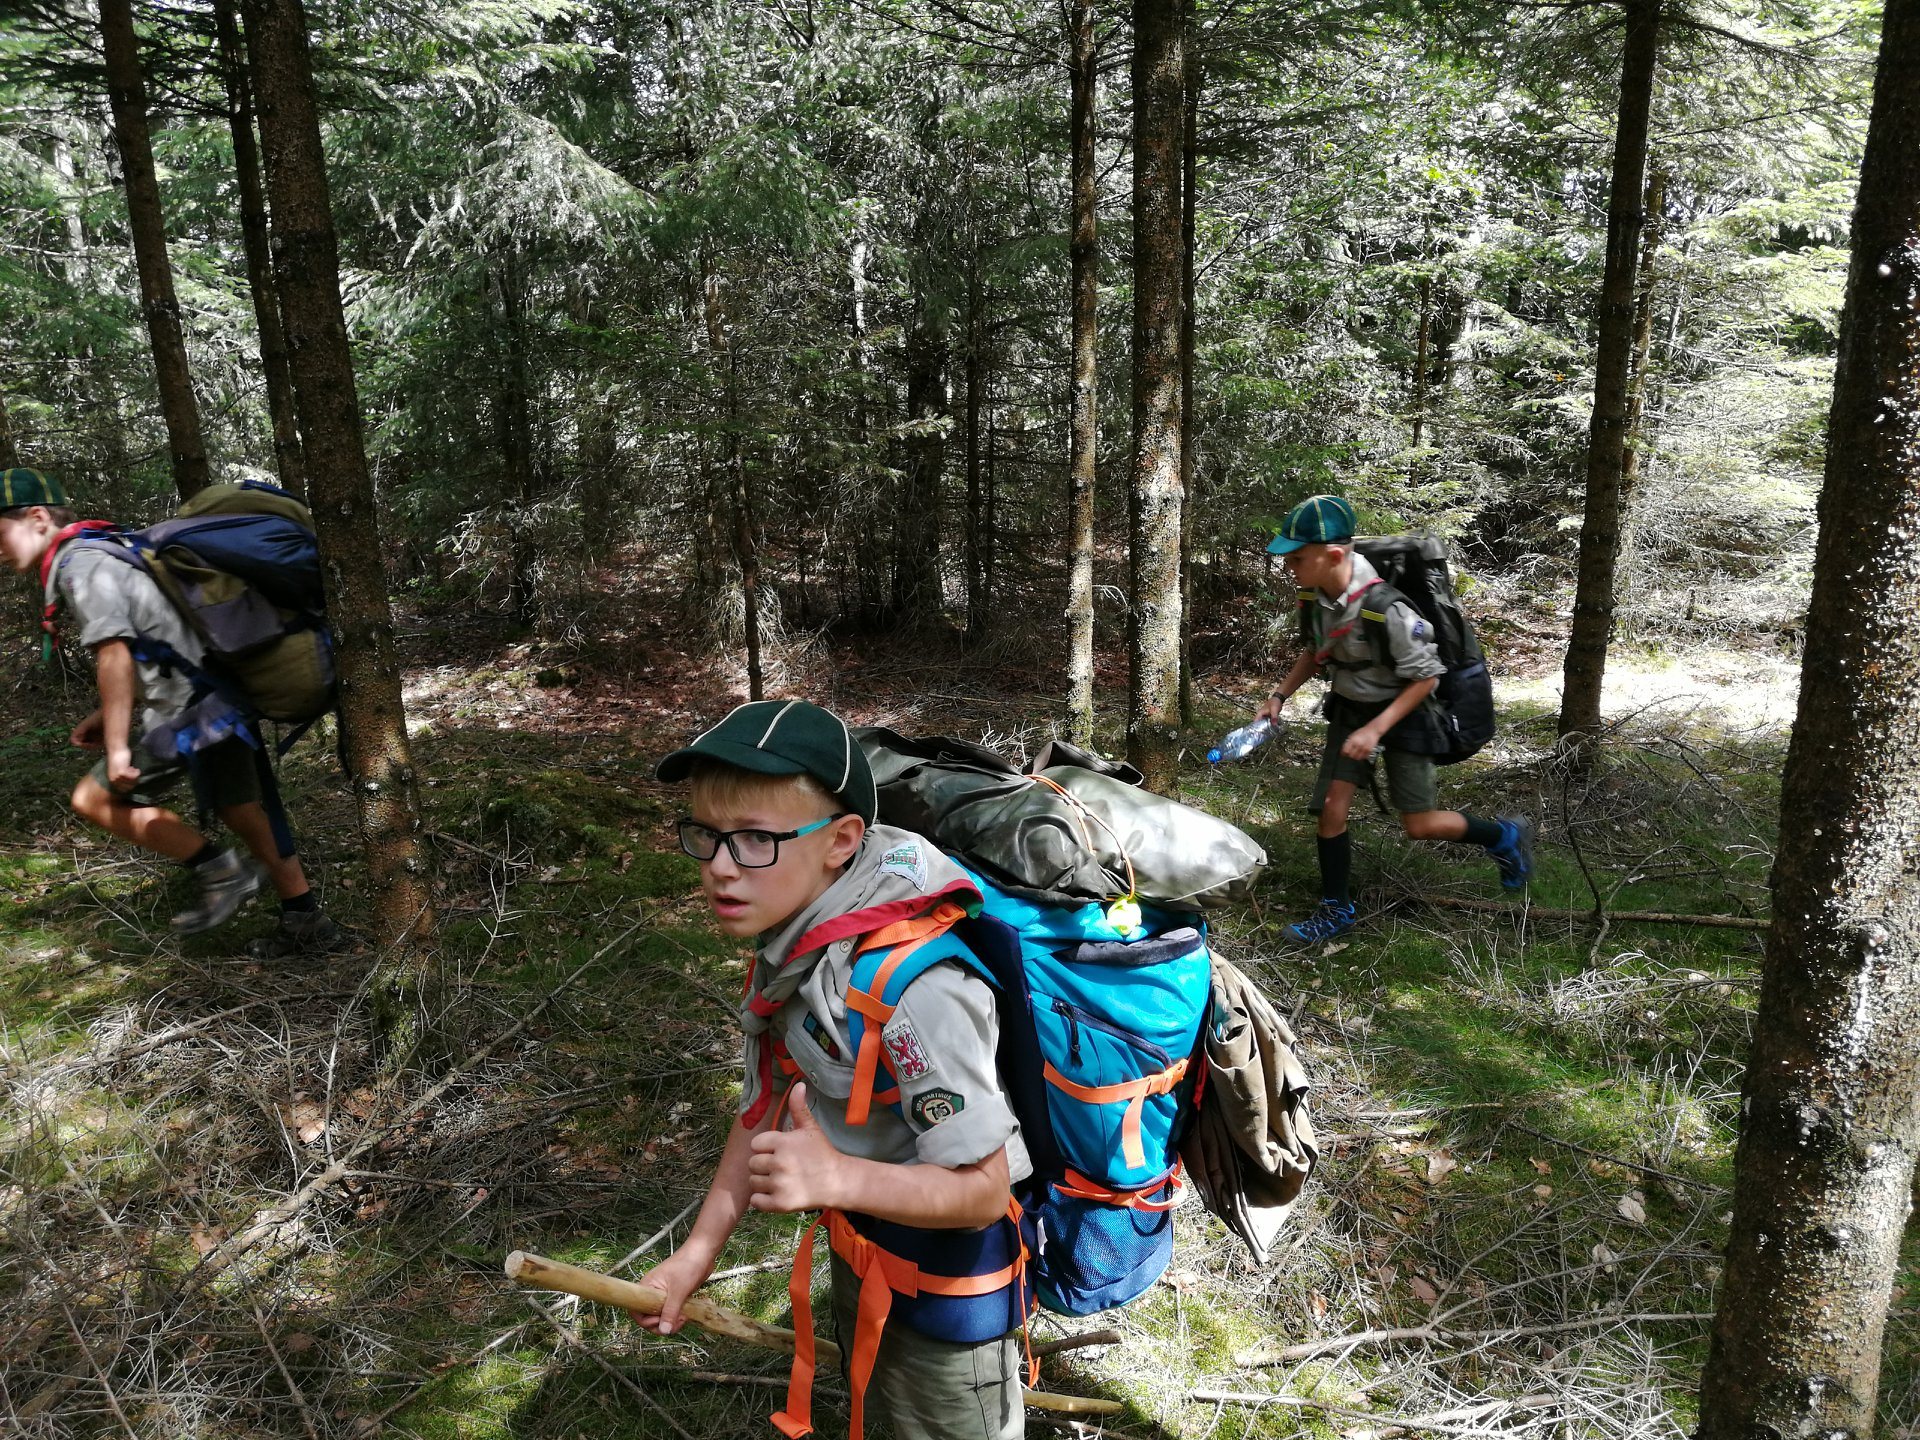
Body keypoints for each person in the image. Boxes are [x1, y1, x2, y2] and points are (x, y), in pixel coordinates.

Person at [642, 698, 1031, 1440]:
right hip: (867, 1254)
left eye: (756, 839)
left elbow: (982, 1192)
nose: (721, 868)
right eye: (708, 837)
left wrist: (835, 1180)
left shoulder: (914, 991)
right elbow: (764, 1105)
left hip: (950, 1300)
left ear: (842, 840)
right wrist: (695, 1255)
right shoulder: (801, 947)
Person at [0, 468, 344, 956]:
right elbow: (153, 639)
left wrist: (119, 748)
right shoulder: (105, 548)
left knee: (92, 800)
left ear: (37, 518)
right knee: (239, 807)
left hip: (190, 710)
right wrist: (109, 714)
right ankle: (305, 918)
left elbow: (115, 652)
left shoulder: (82, 564)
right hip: (217, 696)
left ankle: (221, 872)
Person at [1254, 493, 1531, 945]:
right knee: (1330, 810)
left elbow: (1427, 678)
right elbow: (1315, 650)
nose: (1290, 566)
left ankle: (1503, 835)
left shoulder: (1389, 608)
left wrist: (1377, 729)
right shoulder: (1314, 596)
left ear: (1335, 555)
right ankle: (1336, 908)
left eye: (1298, 557)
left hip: (1405, 712)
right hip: (1352, 710)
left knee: (1419, 824)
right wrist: (1279, 696)